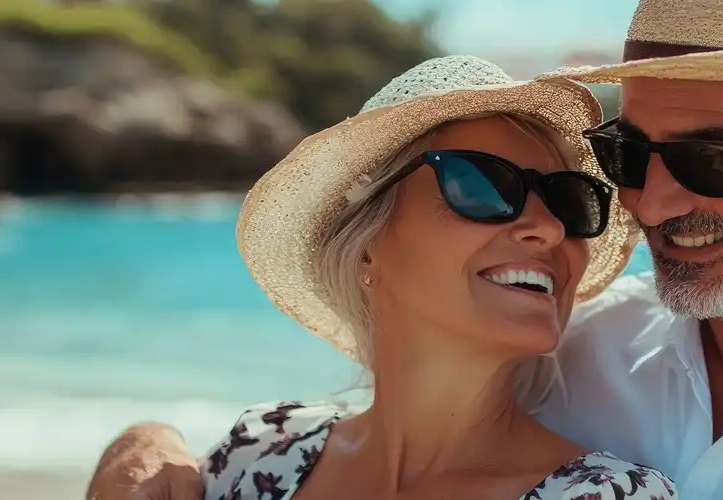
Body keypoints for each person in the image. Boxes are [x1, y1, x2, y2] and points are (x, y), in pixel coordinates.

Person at [87, 1, 723, 499]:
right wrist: (141, 444)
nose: (658, 197)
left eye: (710, 159)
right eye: (626, 153)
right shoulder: (564, 353)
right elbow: (373, 412)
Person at [94, 55, 674, 500]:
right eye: (482, 186)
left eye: (570, 201)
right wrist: (134, 443)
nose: (548, 228)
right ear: (368, 243)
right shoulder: (258, 454)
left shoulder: (605, 495)